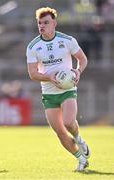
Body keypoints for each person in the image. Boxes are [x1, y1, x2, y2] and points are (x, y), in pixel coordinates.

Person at [26, 7, 90, 172]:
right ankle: (81, 159)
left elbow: (82, 60)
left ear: (54, 23)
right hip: (48, 94)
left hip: (67, 90)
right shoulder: (33, 46)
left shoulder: (67, 40)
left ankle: (79, 138)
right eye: (39, 23)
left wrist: (77, 71)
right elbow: (33, 74)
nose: (42, 26)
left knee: (69, 123)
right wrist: (49, 77)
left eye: (46, 22)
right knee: (60, 132)